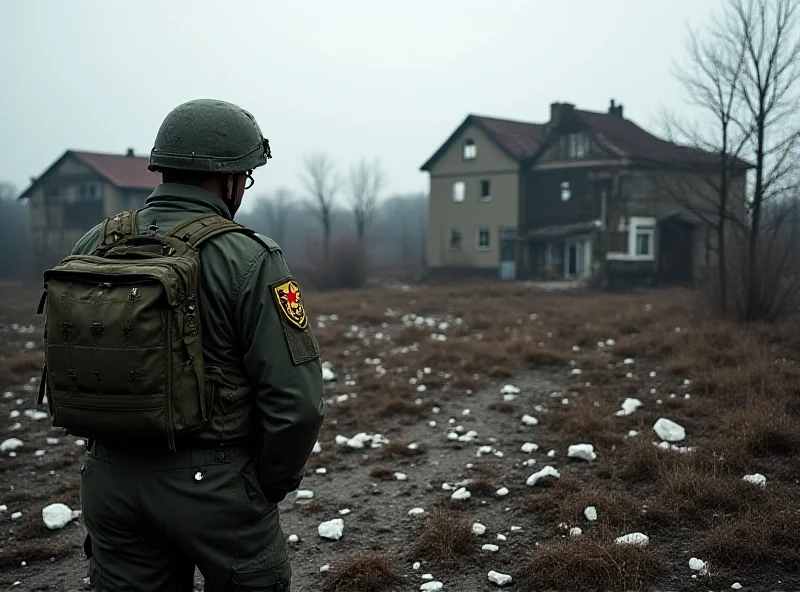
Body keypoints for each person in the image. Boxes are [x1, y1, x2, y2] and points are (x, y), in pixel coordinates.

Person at [51, 98, 326, 591]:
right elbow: (297, 401)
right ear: (230, 180)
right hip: (216, 486)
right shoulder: (250, 256)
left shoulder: (94, 242)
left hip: (109, 480)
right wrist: (269, 483)